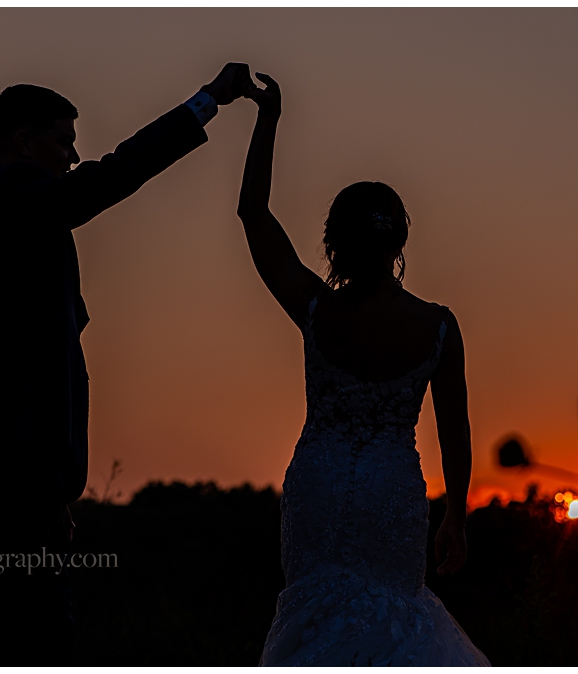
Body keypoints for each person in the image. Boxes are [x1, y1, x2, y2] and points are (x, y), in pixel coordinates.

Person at [0, 62, 251, 665]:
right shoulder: (4, 200)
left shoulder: (20, 224)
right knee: (16, 635)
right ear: (22, 143)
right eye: (63, 141)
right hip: (7, 468)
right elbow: (108, 179)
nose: (74, 157)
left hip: (24, 471)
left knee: (27, 631)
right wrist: (206, 102)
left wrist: (55, 487)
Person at [231, 72, 490, 665]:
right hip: (392, 493)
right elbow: (456, 433)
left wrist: (267, 119)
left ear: (333, 240)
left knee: (315, 623)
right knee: (394, 624)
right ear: (399, 241)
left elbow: (252, 212)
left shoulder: (317, 309)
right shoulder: (438, 325)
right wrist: (457, 515)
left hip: (318, 487)